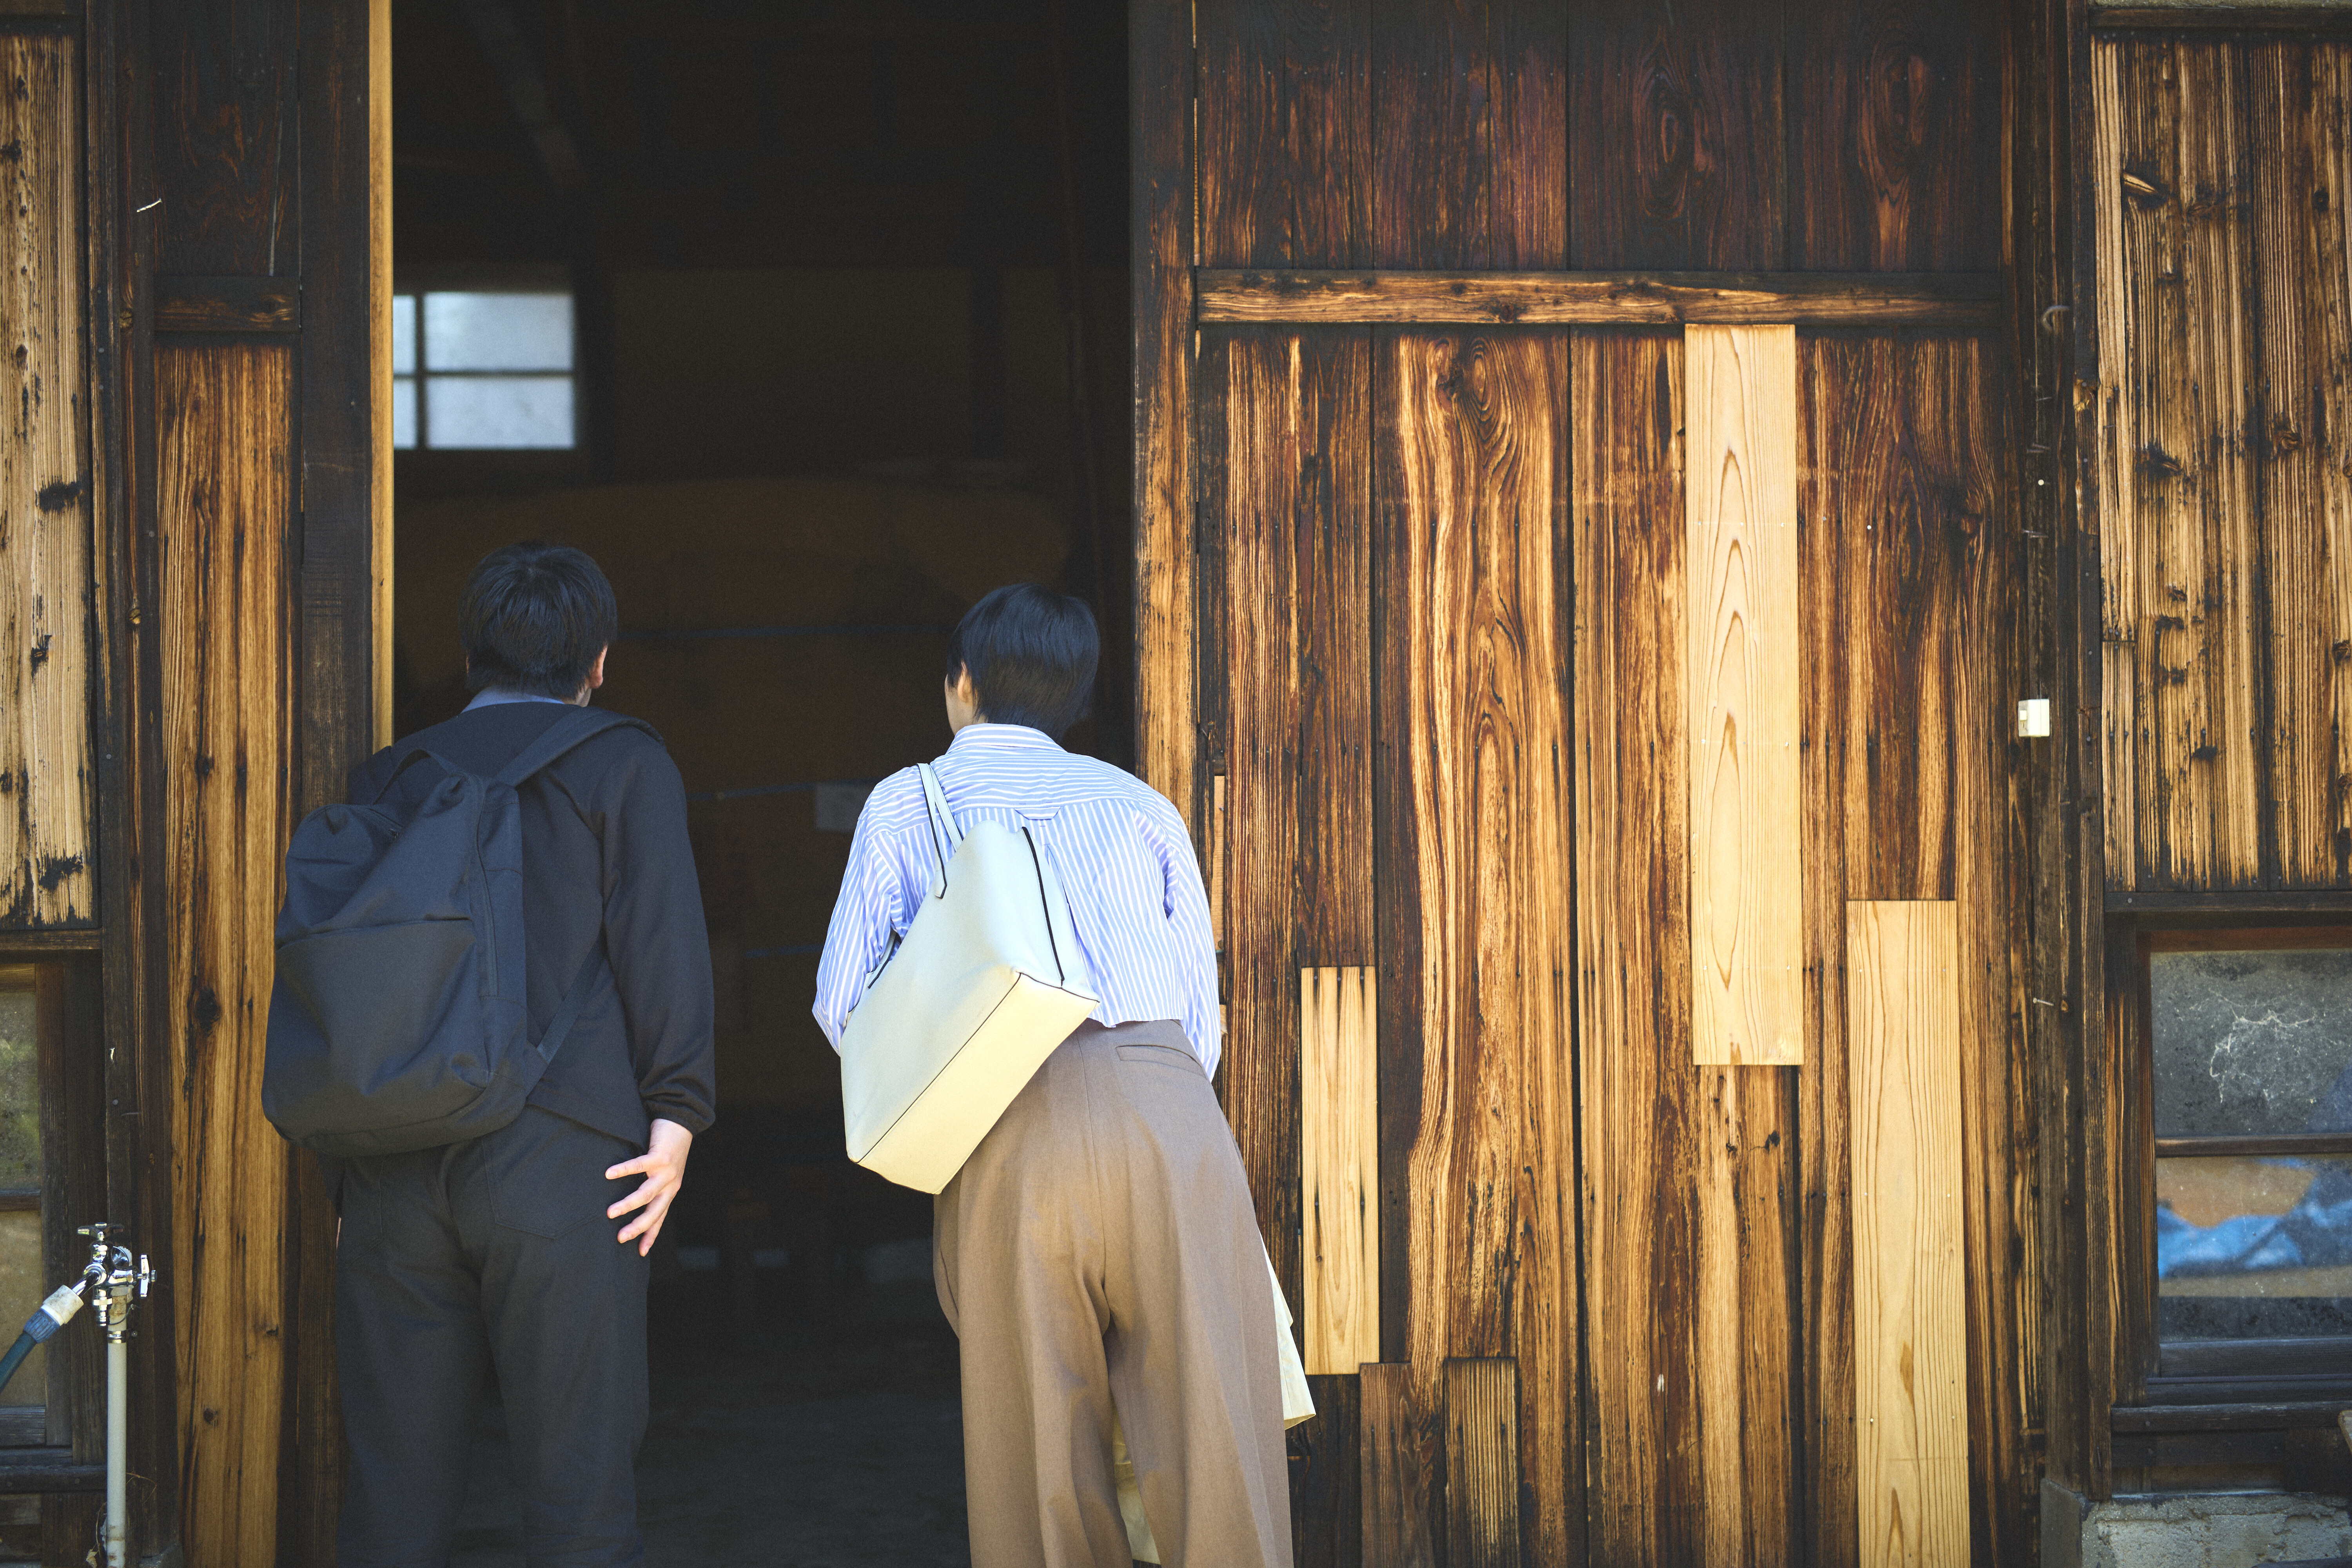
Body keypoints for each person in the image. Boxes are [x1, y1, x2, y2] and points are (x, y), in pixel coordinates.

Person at [813, 583, 1291, 1568]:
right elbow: (1201, 1019)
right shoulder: (1139, 803)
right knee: (1215, 1443)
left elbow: (842, 1005)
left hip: (1007, 1124)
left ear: (961, 683)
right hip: (1168, 1112)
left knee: (1040, 1467)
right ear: (1076, 698)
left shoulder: (910, 800)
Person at [334, 541, 715, 1568]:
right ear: (599, 659)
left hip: (393, 1163)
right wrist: (675, 1124)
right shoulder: (626, 763)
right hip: (565, 1158)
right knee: (577, 1486)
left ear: (468, 658)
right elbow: (662, 950)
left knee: (391, 1495)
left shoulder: (391, 775)